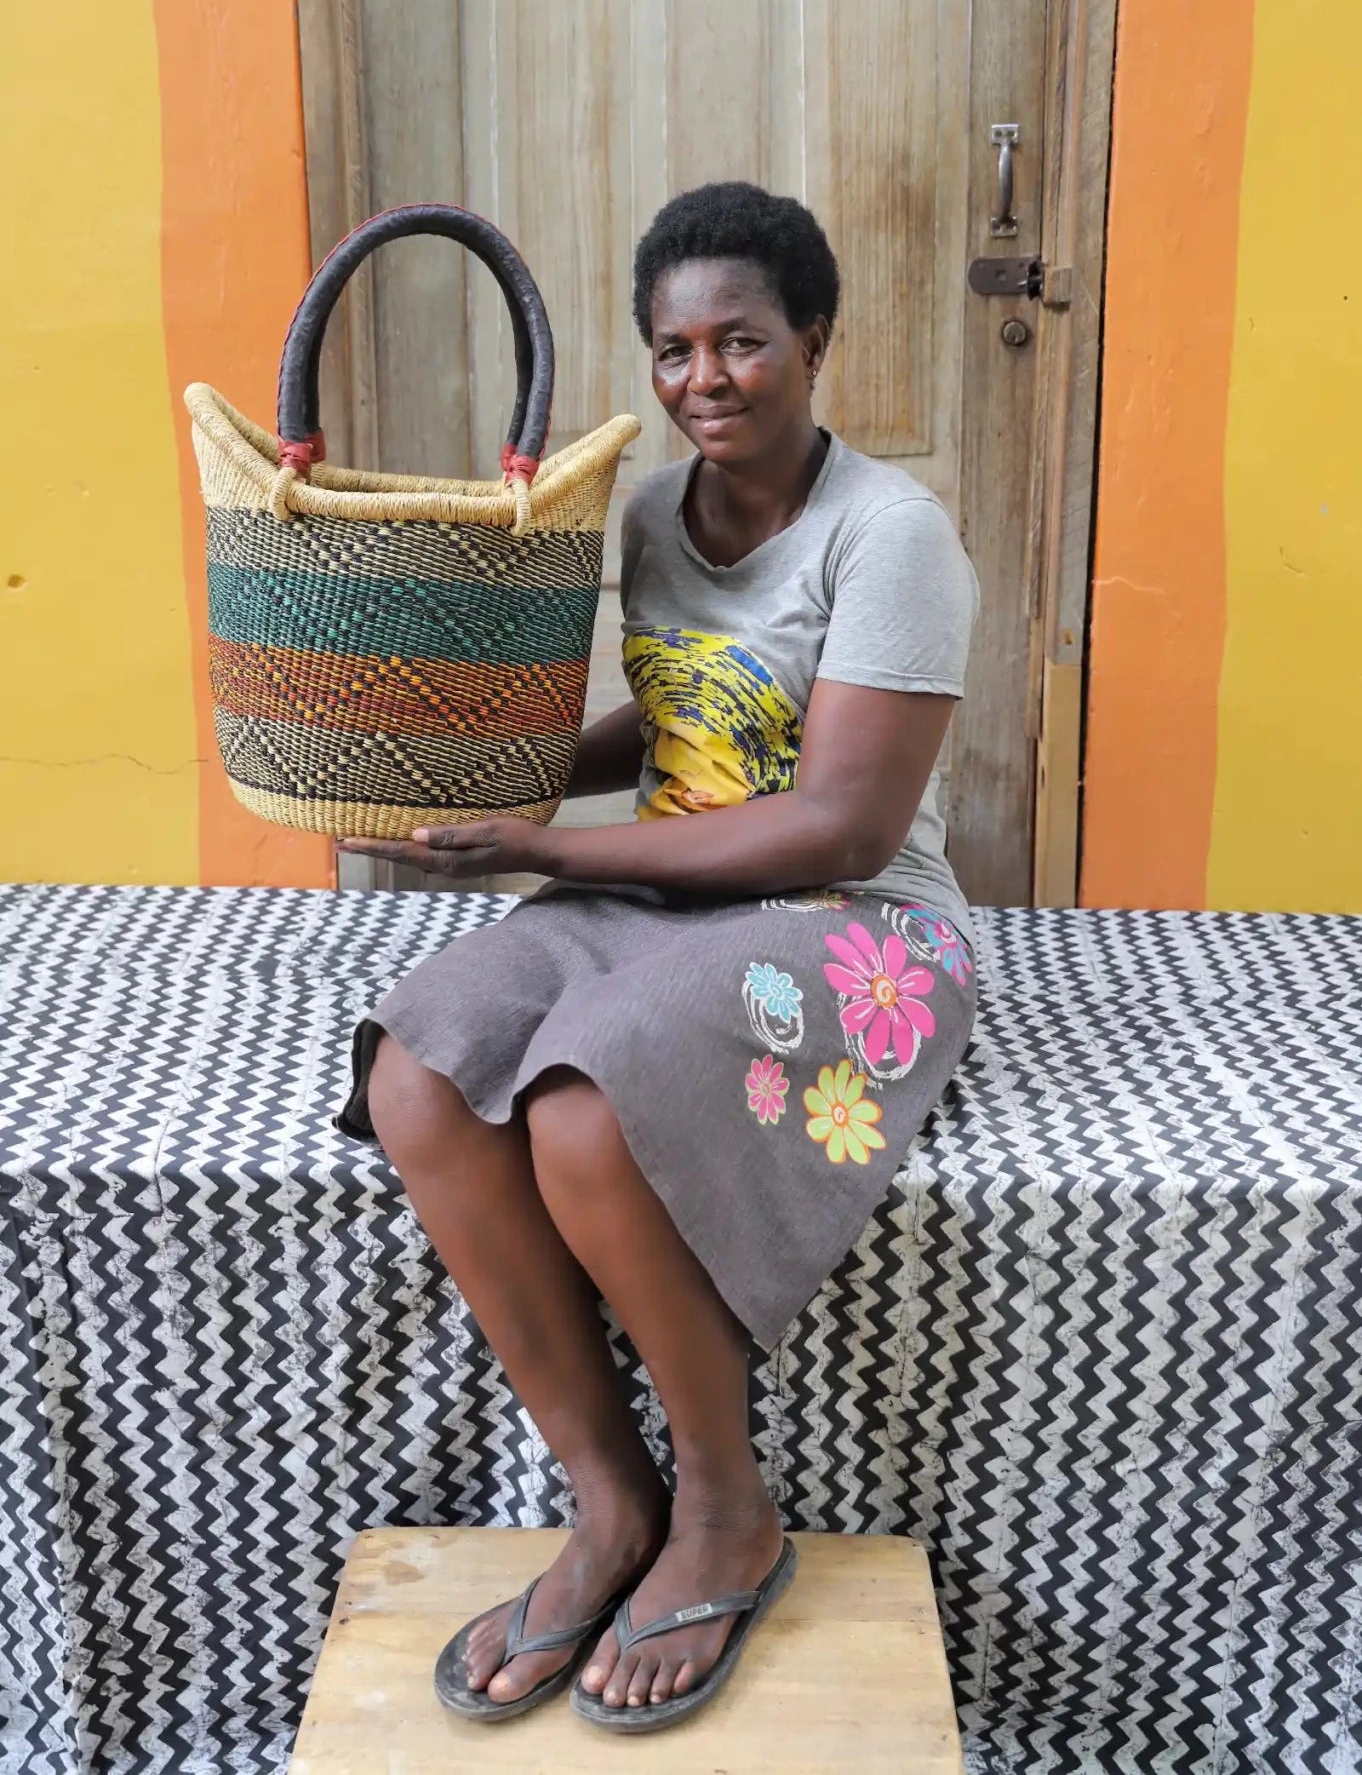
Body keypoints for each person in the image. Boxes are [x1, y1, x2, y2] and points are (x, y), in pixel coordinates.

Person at [336, 180, 979, 1734]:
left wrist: (546, 848)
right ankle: (612, 1501)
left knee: (580, 1104)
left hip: (854, 926)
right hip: (668, 889)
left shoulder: (891, 536)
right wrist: (495, 780)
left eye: (740, 341)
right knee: (419, 1072)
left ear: (813, 339)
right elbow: (680, 718)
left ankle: (724, 1508)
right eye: (675, 350)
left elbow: (836, 821)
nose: (705, 378)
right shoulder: (649, 516)